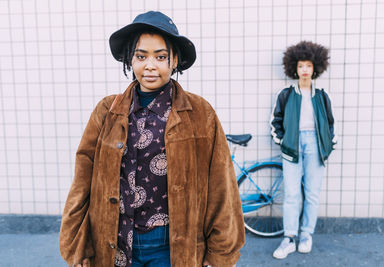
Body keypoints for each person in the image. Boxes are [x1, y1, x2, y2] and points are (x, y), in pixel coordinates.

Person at [59, 11, 245, 267]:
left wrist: (220, 255)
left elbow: (222, 189)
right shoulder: (106, 112)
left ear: (174, 60)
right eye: (141, 56)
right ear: (130, 59)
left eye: (160, 57)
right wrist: (78, 247)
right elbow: (82, 184)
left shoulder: (201, 114)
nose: (150, 65)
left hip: (172, 247)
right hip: (114, 242)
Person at [270, 41, 336, 259]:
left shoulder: (322, 95)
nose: (304, 70)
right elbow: (275, 121)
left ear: (315, 67)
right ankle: (289, 237)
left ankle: (306, 234)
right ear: (294, 69)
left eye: (308, 65)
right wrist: (283, 141)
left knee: (312, 194)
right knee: (291, 194)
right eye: (300, 66)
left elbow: (329, 123)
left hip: (315, 146)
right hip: (293, 146)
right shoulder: (286, 94)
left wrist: (328, 145)